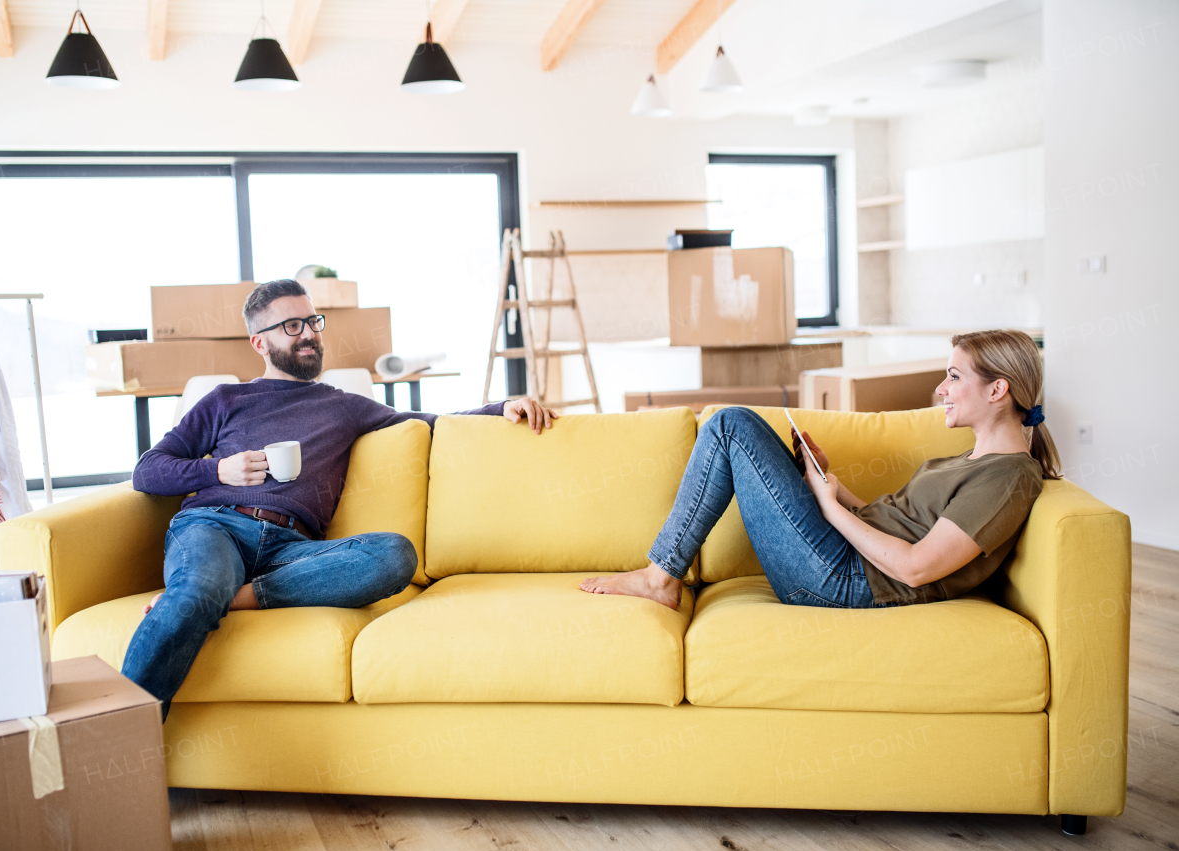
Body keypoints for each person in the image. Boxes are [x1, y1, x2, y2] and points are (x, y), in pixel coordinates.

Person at [125, 278, 558, 714]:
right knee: (198, 586)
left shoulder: (343, 405)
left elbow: (431, 420)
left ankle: (232, 597)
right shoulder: (225, 400)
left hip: (290, 548)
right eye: (292, 326)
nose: (310, 333)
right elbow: (147, 470)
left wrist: (500, 407)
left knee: (393, 554)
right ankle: (116, 746)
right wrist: (217, 469)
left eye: (312, 321)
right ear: (259, 342)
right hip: (215, 524)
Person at [581, 329, 1058, 610]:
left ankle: (659, 578)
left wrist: (829, 510)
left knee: (729, 425)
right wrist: (831, 486)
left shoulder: (1009, 478)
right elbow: (899, 526)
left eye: (954, 377)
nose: (941, 389)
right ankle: (660, 574)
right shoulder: (975, 459)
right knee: (737, 426)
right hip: (842, 560)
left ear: (998, 391)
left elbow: (915, 569)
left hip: (844, 582)